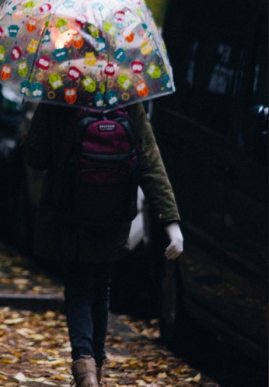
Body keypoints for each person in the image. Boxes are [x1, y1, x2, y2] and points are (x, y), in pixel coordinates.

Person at [23, 103, 183, 387]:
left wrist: (39, 114)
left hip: (69, 209)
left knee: (79, 285)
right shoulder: (124, 90)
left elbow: (36, 156)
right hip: (113, 210)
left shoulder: (58, 88)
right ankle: (96, 365)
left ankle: (85, 366)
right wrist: (171, 223)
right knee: (101, 284)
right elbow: (149, 159)